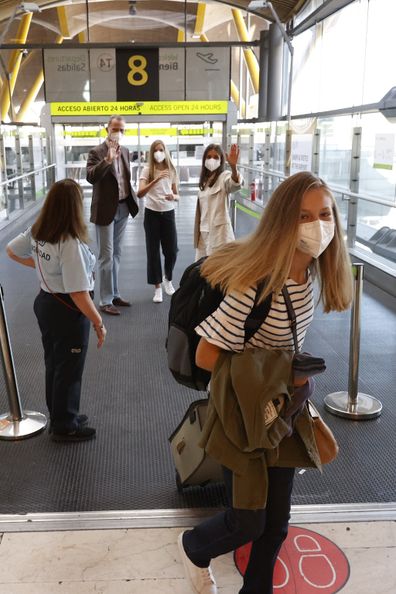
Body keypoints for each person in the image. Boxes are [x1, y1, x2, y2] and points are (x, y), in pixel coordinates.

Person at [177, 171, 353, 594]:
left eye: (324, 214)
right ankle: (194, 547)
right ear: (281, 222)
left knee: (275, 525)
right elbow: (207, 354)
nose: (317, 225)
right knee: (248, 520)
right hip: (241, 418)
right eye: (304, 216)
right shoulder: (254, 284)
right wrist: (279, 372)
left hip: (281, 414)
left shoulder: (308, 278)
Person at [6, 179, 106, 442]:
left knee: (55, 362)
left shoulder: (39, 230)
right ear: (74, 207)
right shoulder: (69, 241)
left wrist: (39, 268)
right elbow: (78, 292)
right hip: (67, 309)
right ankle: (65, 425)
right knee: (69, 367)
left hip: (45, 303)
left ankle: (61, 414)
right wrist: (98, 322)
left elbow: (12, 250)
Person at [86, 115, 139, 316]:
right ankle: (105, 300)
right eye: (115, 128)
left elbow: (125, 178)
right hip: (105, 210)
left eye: (122, 129)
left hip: (123, 207)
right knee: (106, 256)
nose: (118, 132)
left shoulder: (125, 151)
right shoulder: (96, 152)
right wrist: (107, 161)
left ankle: (115, 294)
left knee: (117, 254)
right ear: (107, 128)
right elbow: (91, 177)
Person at [137, 140, 179, 303]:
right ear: (151, 152)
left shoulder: (172, 170)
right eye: (156, 150)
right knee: (153, 252)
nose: (159, 152)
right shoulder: (147, 170)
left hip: (168, 213)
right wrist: (155, 180)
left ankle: (168, 278)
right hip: (152, 214)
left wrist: (173, 196)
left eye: (161, 149)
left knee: (172, 251)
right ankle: (157, 288)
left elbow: (177, 194)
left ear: (166, 151)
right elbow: (140, 193)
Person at [194, 143, 242, 260]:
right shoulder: (204, 182)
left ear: (221, 161)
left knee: (220, 270)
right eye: (209, 157)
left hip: (220, 235)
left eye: (216, 157)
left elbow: (234, 184)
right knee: (201, 270)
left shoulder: (224, 176)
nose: (211, 160)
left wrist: (234, 168)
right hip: (203, 233)